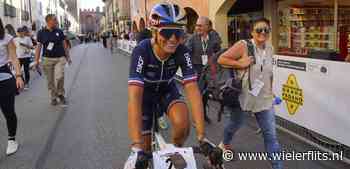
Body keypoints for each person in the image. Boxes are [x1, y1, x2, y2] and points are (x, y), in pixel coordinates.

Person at [124, 3, 219, 168]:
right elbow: (134, 97)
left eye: (179, 33)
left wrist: (202, 136)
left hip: (166, 90)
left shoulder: (182, 51)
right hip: (144, 97)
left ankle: (176, 154)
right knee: (144, 152)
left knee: (183, 124)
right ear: (154, 31)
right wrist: (136, 146)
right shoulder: (142, 51)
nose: (173, 39)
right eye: (167, 32)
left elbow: (193, 91)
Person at [217, 17, 283, 169]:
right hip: (243, 98)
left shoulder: (270, 48)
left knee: (271, 136)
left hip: (264, 100)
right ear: (252, 32)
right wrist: (239, 63)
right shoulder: (243, 45)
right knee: (235, 123)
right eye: (259, 30)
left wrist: (271, 91)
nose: (263, 33)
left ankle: (277, 166)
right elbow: (222, 59)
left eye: (266, 30)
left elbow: (269, 73)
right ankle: (225, 143)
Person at [185, 16, 222, 124]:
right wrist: (190, 70)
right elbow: (187, 54)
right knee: (197, 95)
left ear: (207, 26)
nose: (197, 28)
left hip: (209, 71)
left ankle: (203, 114)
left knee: (205, 95)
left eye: (200, 26)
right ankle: (197, 117)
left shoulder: (214, 37)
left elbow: (218, 52)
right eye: (197, 25)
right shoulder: (192, 39)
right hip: (197, 70)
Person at [35, 14, 72, 106]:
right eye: (55, 20)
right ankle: (53, 97)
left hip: (60, 58)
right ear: (49, 21)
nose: (56, 21)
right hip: (47, 59)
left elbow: (65, 45)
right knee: (50, 80)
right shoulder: (41, 33)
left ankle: (60, 94)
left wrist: (68, 57)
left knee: (60, 76)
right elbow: (38, 47)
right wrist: (36, 61)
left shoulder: (59, 31)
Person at [0, 17, 24, 155]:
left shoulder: (6, 38)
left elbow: (14, 58)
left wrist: (19, 76)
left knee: (8, 112)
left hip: (4, 77)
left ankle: (11, 140)